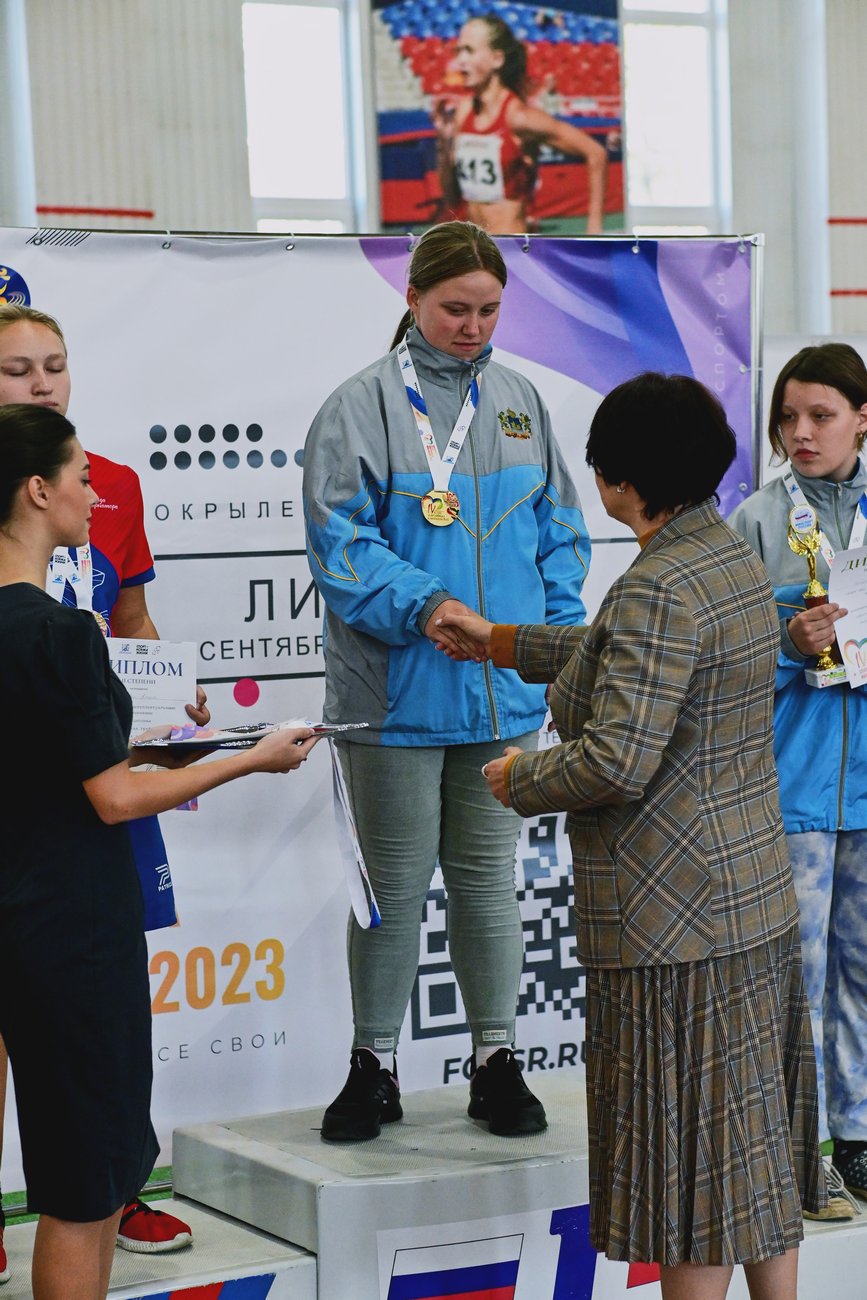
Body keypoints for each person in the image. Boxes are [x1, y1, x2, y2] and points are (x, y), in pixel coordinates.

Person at [437, 372, 826, 1300]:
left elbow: (616, 758)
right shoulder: (721, 553)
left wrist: (520, 778)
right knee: (754, 1145)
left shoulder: (656, 584)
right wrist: (500, 640)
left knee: (689, 1173)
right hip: (746, 898)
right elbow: (632, 657)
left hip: (669, 921)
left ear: (621, 479)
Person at [0, 402, 320, 1300]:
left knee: (81, 1169)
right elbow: (111, 799)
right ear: (38, 491)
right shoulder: (58, 630)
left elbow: (54, 764)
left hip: (21, 917)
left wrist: (155, 750)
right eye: (82, 478)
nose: (94, 495)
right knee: (87, 1183)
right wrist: (248, 758)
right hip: (73, 931)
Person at [302, 219, 590, 1142]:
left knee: (487, 880)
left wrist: (550, 648)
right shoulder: (359, 406)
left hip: (502, 695)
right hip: (394, 693)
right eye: (454, 309)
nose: (472, 327)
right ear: (413, 299)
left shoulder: (519, 401)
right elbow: (340, 546)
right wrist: (427, 606)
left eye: (488, 310)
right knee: (391, 885)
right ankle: (372, 1064)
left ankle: (495, 1060)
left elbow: (559, 534)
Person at [0, 303, 208, 1261]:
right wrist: (246, 761)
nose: (41, 382)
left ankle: (113, 1191)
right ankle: (76, 1202)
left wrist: (167, 702)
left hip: (87, 781)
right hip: (47, 817)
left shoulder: (111, 483)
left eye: (54, 364)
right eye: (17, 369)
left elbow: (131, 624)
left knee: (90, 1041)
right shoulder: (35, 581)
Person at [728, 343, 867, 1216]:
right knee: (797, 977)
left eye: (821, 415)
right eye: (787, 417)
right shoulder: (756, 521)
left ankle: (857, 1134)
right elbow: (724, 657)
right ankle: (797, 1145)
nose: (801, 433)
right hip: (794, 791)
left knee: (863, 968)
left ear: (862, 419)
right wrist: (785, 643)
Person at [434, 15, 607, 235]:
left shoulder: (519, 117)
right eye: (458, 51)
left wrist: (594, 229)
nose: (460, 61)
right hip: (474, 246)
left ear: (497, 59)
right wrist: (444, 144)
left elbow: (596, 153)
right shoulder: (464, 110)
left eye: (469, 51)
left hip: (510, 247)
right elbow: (452, 196)